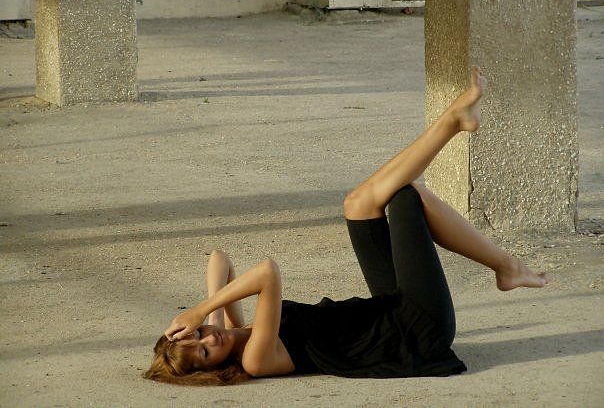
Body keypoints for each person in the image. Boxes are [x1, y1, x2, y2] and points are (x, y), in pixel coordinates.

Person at [144, 67, 549, 386]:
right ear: (215, 369)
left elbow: (219, 259)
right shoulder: (256, 359)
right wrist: (203, 310)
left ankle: (456, 126)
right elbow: (267, 273)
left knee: (358, 204)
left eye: (198, 337)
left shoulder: (228, 331)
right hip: (418, 329)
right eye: (205, 353)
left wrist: (206, 317)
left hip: (390, 307)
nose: (209, 340)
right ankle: (504, 261)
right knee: (409, 197)